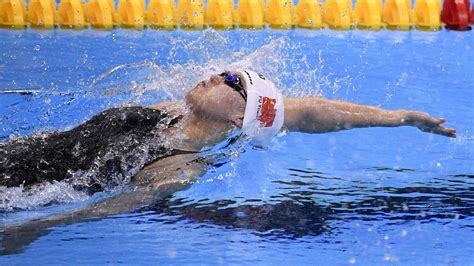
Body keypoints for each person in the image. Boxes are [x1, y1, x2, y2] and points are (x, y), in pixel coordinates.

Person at [0, 69, 456, 204]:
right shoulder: (173, 112)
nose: (214, 77)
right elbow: (307, 111)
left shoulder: (179, 167)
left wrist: (35, 231)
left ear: (240, 119)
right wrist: (398, 117)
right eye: (224, 73)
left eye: (230, 83)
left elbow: (101, 212)